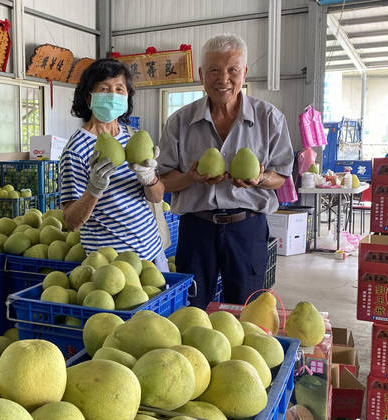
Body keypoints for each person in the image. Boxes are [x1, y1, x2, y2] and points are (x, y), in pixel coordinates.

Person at [158, 33, 294, 308]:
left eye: (232, 70)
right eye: (214, 70)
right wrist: (190, 177)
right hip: (197, 228)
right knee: (191, 310)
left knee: (245, 311)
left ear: (244, 73)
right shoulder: (180, 122)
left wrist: (260, 179)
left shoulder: (269, 119)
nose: (223, 79)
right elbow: (164, 181)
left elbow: (281, 175)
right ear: (201, 74)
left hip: (247, 227)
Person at [59, 58, 168, 271]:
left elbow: (157, 196)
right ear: (89, 97)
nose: (113, 95)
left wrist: (149, 178)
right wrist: (94, 188)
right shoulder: (75, 149)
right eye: (104, 88)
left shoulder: (133, 137)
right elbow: (71, 222)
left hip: (153, 253)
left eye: (120, 89)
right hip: (112, 264)